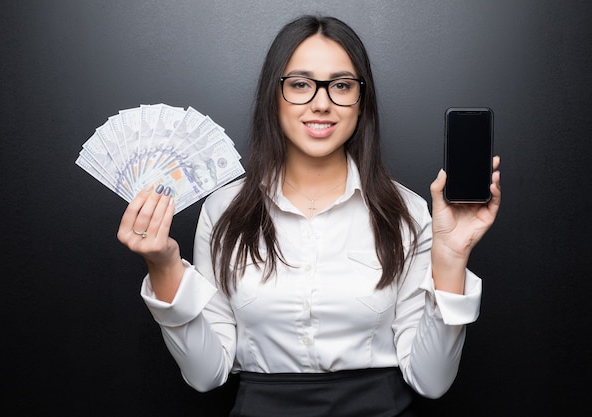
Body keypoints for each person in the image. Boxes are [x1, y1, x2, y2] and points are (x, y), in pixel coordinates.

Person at [117, 15, 501, 417]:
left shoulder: (406, 213)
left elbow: (432, 380)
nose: (322, 102)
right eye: (300, 84)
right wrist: (162, 266)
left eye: (341, 86)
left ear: (361, 101)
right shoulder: (224, 211)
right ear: (274, 96)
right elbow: (206, 375)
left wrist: (453, 258)